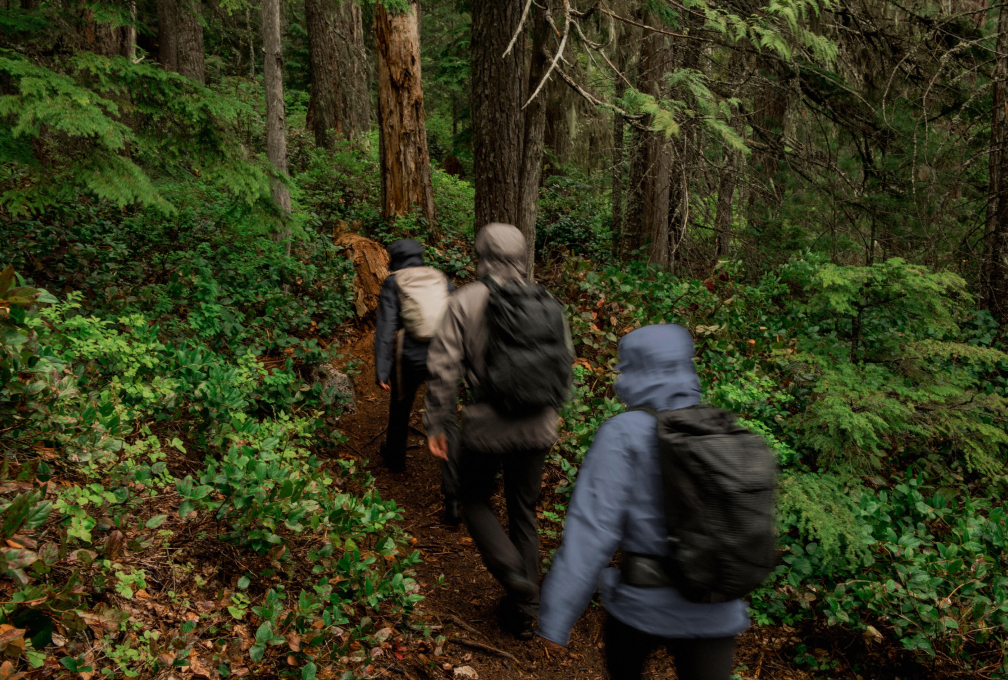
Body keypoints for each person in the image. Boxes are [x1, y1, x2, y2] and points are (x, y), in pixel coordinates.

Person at [537, 324, 750, 680]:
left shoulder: (624, 432)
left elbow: (592, 534)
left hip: (645, 606)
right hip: (717, 610)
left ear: (636, 370)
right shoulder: (721, 428)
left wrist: (555, 618)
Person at [423, 223, 574, 640]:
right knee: (523, 512)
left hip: (487, 424)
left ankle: (511, 573)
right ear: (522, 256)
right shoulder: (548, 302)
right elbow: (566, 362)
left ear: (482, 255)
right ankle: (524, 612)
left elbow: (443, 366)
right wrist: (554, 412)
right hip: (539, 424)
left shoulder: (466, 300)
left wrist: (437, 421)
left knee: (473, 497)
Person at [374, 239, 460, 523]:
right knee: (446, 418)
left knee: (401, 405)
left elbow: (386, 328)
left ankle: (396, 458)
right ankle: (454, 497)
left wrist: (382, 369)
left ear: (394, 260)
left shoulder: (394, 281)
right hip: (444, 354)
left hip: (409, 356)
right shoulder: (439, 277)